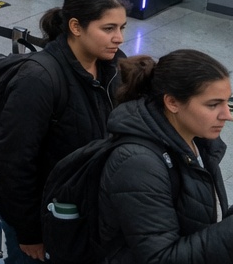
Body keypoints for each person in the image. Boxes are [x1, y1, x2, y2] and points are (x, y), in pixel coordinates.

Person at [0, 0, 129, 263]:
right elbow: (14, 165)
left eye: (122, 28)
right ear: (76, 27)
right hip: (39, 219)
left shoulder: (114, 65)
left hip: (81, 213)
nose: (119, 38)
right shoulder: (39, 80)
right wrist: (29, 233)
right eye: (108, 29)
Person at [99, 49, 233, 263]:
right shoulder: (138, 164)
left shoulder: (197, 138)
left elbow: (198, 220)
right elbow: (160, 257)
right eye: (213, 105)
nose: (227, 115)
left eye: (228, 102)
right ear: (172, 103)